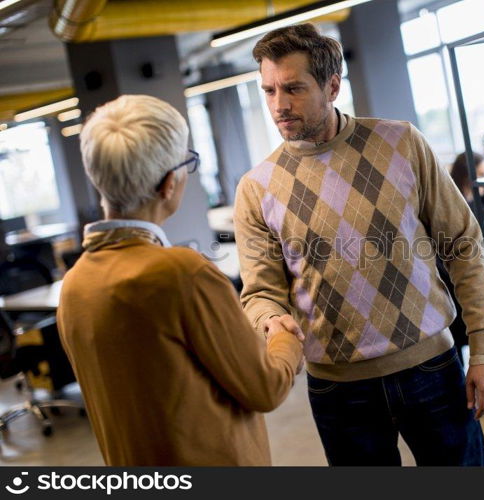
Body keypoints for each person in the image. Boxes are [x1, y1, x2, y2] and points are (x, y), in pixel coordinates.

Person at [234, 24, 484, 466]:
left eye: (294, 89)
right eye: (269, 91)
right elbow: (260, 293)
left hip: (432, 370)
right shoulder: (256, 188)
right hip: (338, 391)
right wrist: (272, 320)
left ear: (333, 86)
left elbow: (463, 243)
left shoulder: (401, 142)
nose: (279, 105)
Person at [57, 95, 303, 466]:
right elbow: (265, 387)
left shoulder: (74, 285)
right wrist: (284, 337)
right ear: (168, 184)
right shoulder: (182, 275)